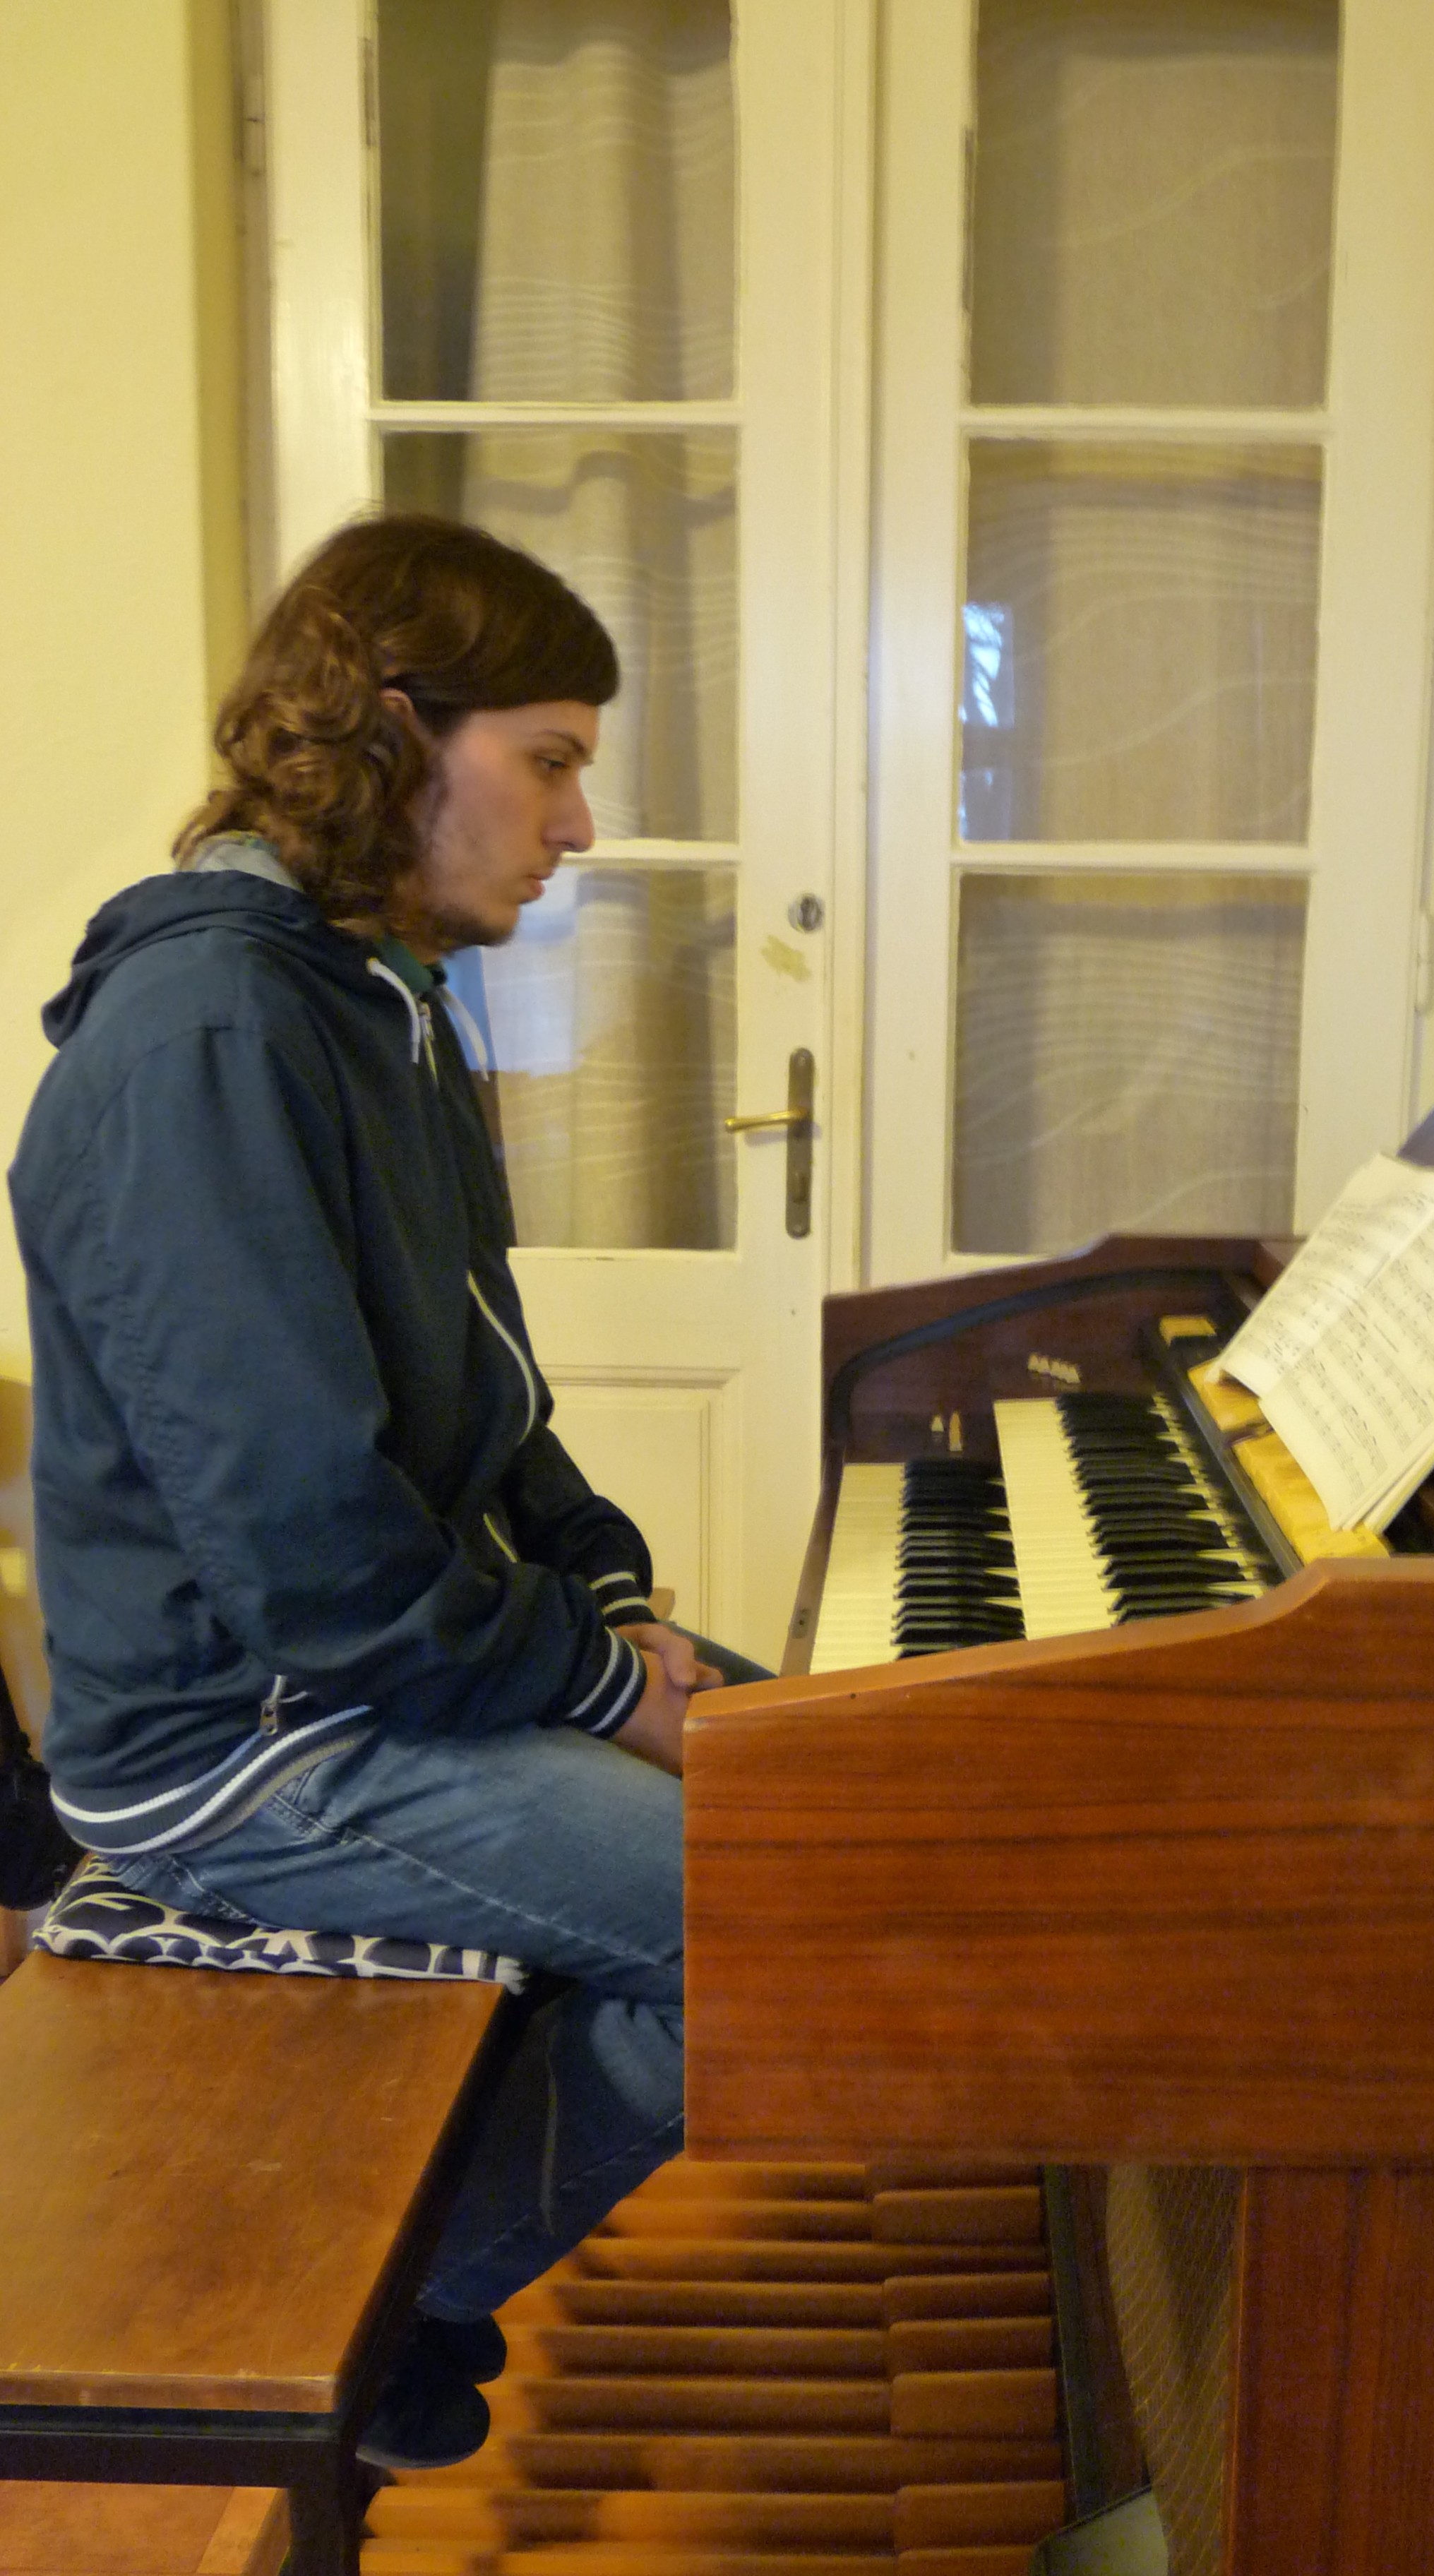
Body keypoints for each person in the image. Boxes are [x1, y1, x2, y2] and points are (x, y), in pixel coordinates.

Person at [6, 513, 765, 2466]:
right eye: (553, 760)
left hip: (374, 1676)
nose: (579, 826)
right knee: (787, 1920)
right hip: (241, 1745)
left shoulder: (371, 994)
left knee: (875, 1786)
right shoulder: (209, 1034)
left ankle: (416, 2237)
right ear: (392, 731)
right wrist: (602, 1688)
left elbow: (487, 1405)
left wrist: (609, 1598)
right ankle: (372, 2310)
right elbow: (309, 1558)